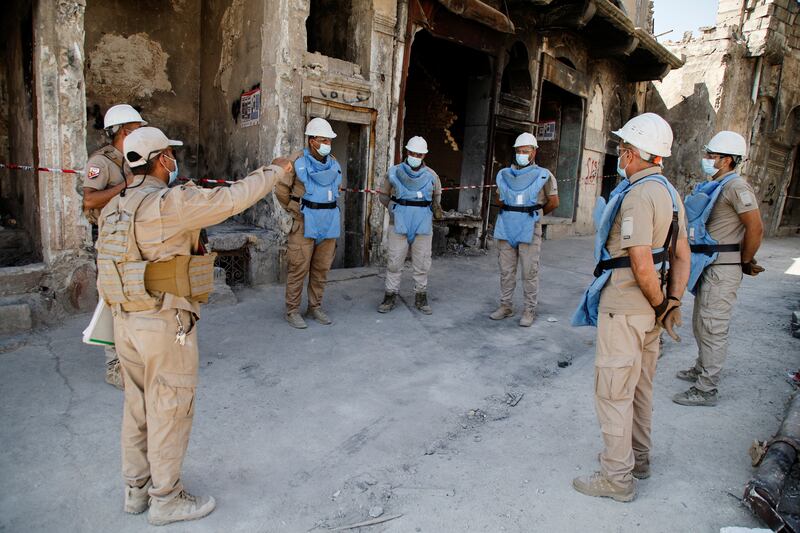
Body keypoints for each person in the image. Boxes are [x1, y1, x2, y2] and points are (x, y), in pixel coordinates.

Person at [95, 126, 291, 525]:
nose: (173, 161)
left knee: (137, 406)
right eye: (170, 154)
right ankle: (166, 498)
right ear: (162, 159)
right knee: (170, 405)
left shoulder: (115, 206)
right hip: (164, 322)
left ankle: (136, 491)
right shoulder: (170, 203)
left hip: (125, 320)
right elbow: (235, 197)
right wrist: (275, 170)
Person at [570, 113, 691, 502]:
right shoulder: (671, 193)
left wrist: (658, 304)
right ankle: (638, 459)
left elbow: (640, 262)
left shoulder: (638, 195)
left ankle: (616, 479)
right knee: (639, 387)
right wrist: (670, 303)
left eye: (623, 151)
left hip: (626, 307)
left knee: (614, 391)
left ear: (636, 153)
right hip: (651, 311)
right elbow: (683, 256)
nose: (620, 158)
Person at [673, 131, 764, 407]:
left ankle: (706, 389)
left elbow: (755, 227)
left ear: (726, 161)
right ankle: (701, 368)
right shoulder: (718, 185)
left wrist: (745, 260)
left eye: (711, 156)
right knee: (701, 322)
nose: (706, 160)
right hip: (709, 265)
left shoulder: (737, 187)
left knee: (713, 326)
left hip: (723, 267)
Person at [83, 104, 146, 390]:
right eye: (138, 128)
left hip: (134, 238)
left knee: (134, 298)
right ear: (124, 131)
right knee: (112, 301)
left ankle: (134, 358)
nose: (141, 133)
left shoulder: (134, 158)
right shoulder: (101, 162)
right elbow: (90, 201)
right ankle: (114, 365)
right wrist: (127, 185)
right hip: (110, 240)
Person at [275, 117, 342, 329]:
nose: (327, 144)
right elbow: (281, 189)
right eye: (323, 140)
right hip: (304, 222)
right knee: (298, 268)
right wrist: (294, 209)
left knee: (321, 268)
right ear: (311, 140)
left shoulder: (333, 162)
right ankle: (292, 310)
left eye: (329, 141)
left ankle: (315, 307)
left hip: (328, 221)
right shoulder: (295, 161)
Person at [489, 132, 559, 327]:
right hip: (507, 225)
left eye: (525, 151)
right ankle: (505, 306)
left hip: (529, 226)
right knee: (506, 270)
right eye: (519, 151)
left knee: (529, 271)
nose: (522, 154)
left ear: (534, 152)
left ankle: (529, 309)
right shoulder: (505, 174)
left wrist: (535, 213)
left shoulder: (544, 175)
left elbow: (554, 202)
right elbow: (499, 199)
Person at [377, 136, 443, 314]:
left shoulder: (432, 175)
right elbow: (383, 195)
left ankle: (421, 297)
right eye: (412, 153)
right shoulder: (394, 172)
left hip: (423, 225)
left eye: (419, 154)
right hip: (399, 223)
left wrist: (435, 210)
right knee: (394, 262)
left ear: (424, 155)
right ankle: (390, 296)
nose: (415, 156)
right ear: (407, 152)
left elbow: (437, 198)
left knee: (422, 263)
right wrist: (394, 209)